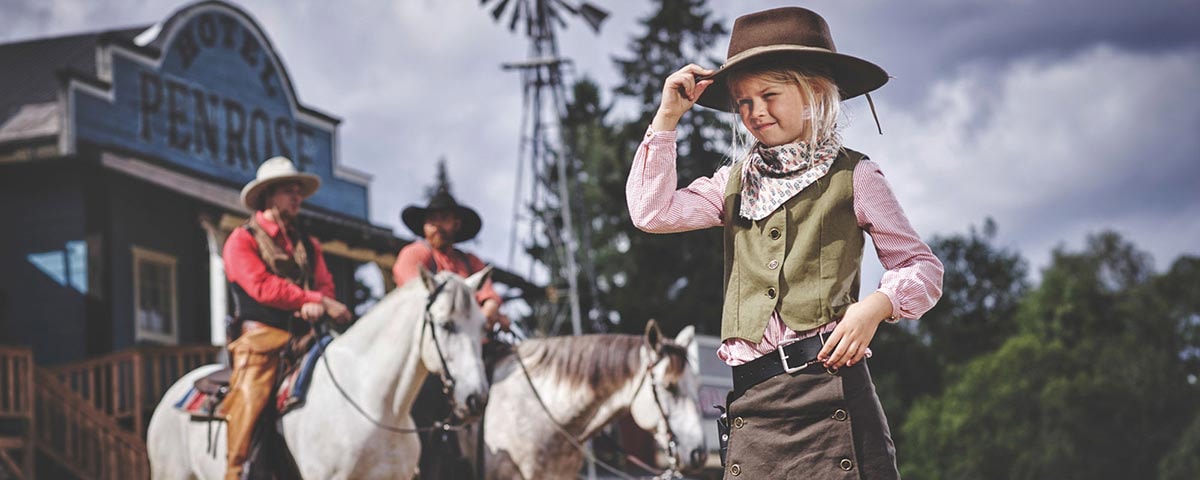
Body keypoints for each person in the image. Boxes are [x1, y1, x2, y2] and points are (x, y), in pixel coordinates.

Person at [625, 7, 944, 479]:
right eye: (743, 102)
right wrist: (667, 117)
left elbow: (921, 267)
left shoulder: (856, 177)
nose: (755, 112)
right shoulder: (730, 185)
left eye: (769, 95)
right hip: (754, 407)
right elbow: (651, 213)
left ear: (814, 91)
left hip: (833, 394)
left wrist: (876, 307)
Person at [222, 156, 352, 480]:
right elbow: (261, 286)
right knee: (251, 396)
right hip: (261, 338)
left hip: (306, 337)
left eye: (298, 192)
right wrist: (312, 300)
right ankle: (237, 469)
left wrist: (321, 300)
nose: (296, 197)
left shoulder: (308, 244)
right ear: (268, 196)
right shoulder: (242, 239)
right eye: (288, 191)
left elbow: (325, 284)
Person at [393, 182, 507, 479]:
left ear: (456, 223)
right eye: (431, 219)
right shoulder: (415, 255)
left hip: (473, 349)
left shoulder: (469, 261)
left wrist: (488, 311)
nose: (437, 225)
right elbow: (417, 295)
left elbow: (490, 295)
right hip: (435, 356)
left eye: (443, 218)